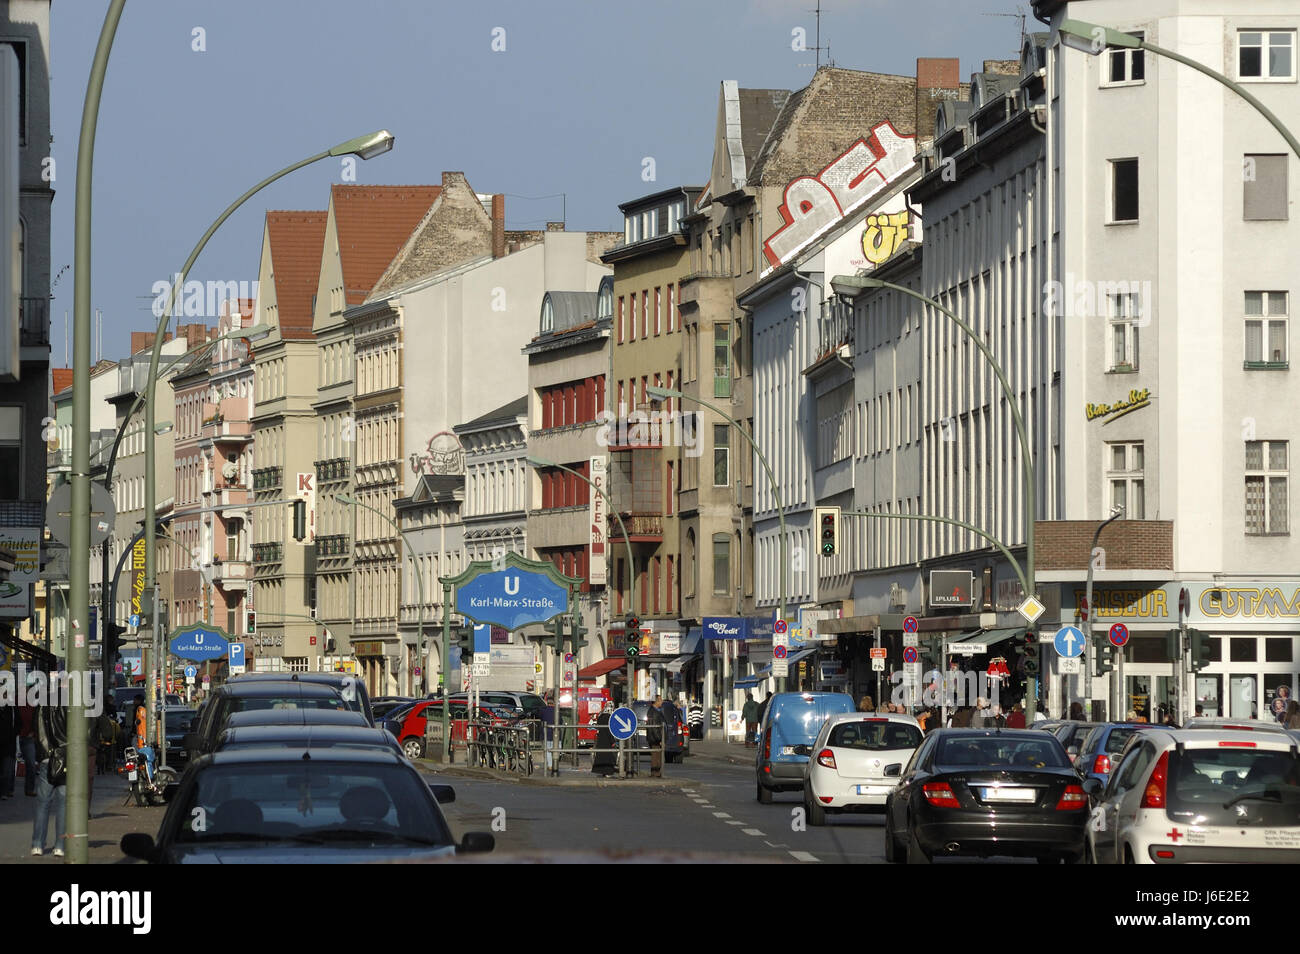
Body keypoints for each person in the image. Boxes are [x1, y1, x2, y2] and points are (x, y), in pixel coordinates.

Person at [32, 703, 68, 856]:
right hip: (65, 759)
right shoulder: (70, 704)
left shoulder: (42, 705)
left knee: (43, 803)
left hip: (47, 758)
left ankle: (37, 844)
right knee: (63, 804)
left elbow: (39, 732)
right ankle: (60, 845)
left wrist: (44, 755)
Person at [17, 694, 36, 797]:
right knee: (8, 765)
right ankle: (7, 789)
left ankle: (29, 789)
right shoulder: (15, 701)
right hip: (16, 736)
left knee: (31, 764)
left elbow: (36, 717)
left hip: (28, 737)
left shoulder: (32, 702)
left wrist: (33, 731)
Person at [591, 702, 617, 776]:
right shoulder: (609, 717)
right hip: (607, 740)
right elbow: (609, 730)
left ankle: (601, 771)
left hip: (601, 739)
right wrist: (612, 740)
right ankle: (607, 772)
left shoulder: (600, 716)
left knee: (601, 755)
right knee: (608, 755)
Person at [645, 696, 666, 778]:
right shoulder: (654, 712)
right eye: (661, 701)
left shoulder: (656, 711)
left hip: (655, 737)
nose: (662, 702)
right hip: (655, 738)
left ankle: (656, 772)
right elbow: (654, 727)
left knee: (657, 755)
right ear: (656, 702)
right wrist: (659, 738)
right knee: (656, 756)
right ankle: (655, 773)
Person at [538, 693, 557, 774]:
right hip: (556, 734)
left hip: (546, 734)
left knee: (548, 750)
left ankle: (550, 765)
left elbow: (540, 717)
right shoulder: (557, 711)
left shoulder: (543, 711)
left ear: (547, 702)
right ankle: (555, 764)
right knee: (556, 750)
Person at [0, 702, 15, 798]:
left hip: (8, 745)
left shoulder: (12, 708)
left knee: (6, 772)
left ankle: (4, 792)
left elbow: (18, 723)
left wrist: (12, 735)